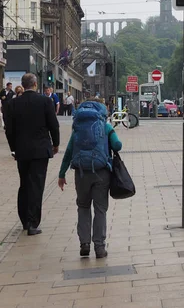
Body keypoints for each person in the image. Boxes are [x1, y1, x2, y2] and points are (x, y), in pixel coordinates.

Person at [58, 98, 122, 258]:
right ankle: (99, 248)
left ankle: (84, 244)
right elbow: (117, 145)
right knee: (100, 210)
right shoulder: (105, 126)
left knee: (83, 207)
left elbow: (68, 152)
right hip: (101, 173)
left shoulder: (78, 128)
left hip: (81, 173)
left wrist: (61, 174)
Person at [6, 73, 59, 236]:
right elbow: (53, 125)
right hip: (40, 150)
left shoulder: (14, 103)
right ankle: (33, 223)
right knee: (36, 185)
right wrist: (55, 144)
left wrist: (13, 148)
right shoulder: (45, 101)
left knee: (24, 184)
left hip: (22, 150)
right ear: (35, 84)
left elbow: (9, 129)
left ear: (23, 85)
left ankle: (24, 220)